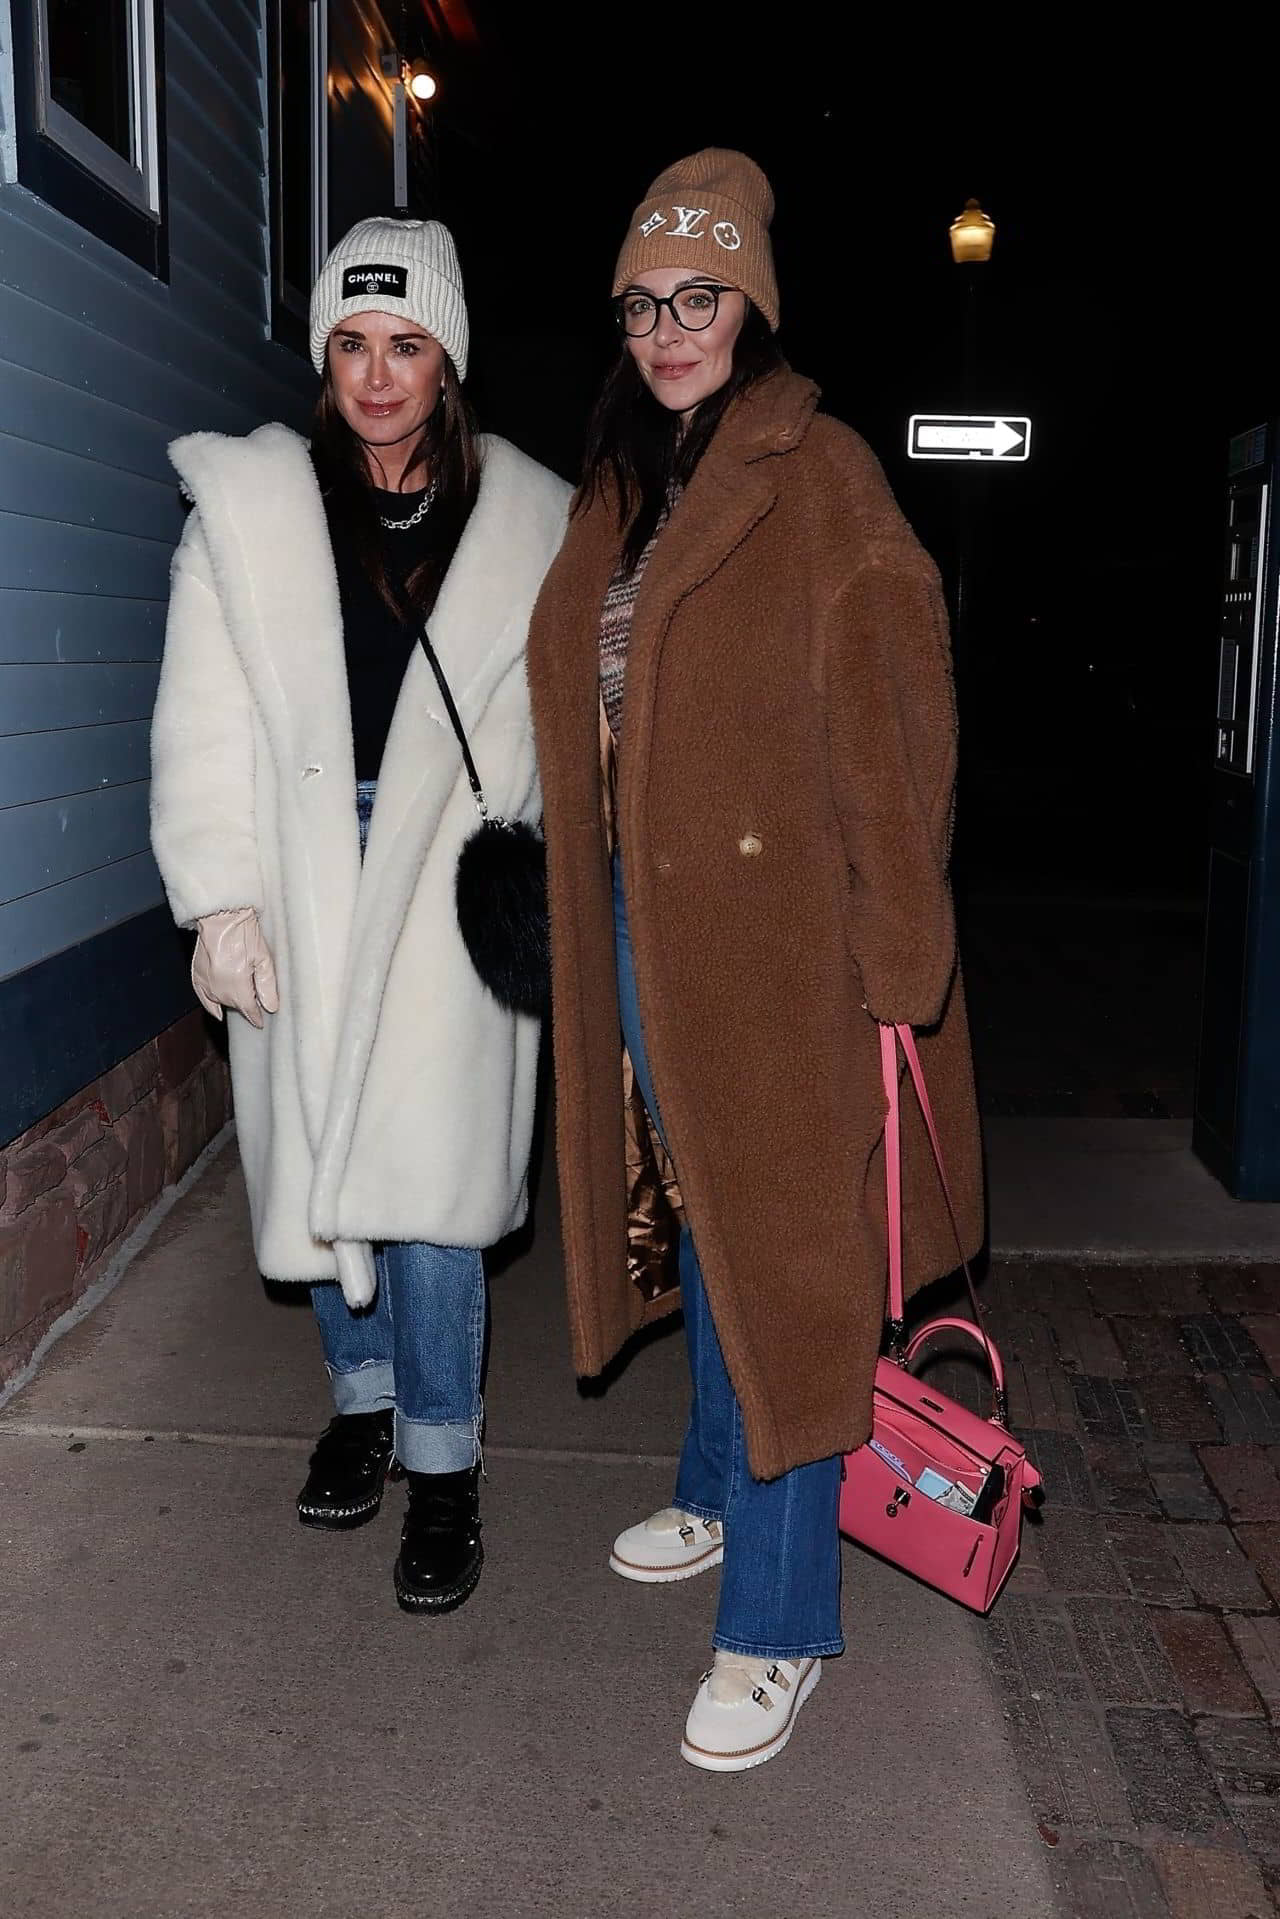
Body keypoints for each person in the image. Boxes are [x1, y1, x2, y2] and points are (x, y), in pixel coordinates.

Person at [527, 151, 983, 1770]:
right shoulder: (625, 479)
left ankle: (783, 1622)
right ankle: (721, 1491)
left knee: (788, 1270)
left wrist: (895, 957)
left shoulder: (822, 471)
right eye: (645, 301)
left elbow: (898, 711)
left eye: (699, 298)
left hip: (788, 944)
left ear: (754, 306)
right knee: (711, 1223)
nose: (669, 328)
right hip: (652, 933)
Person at [151, 217, 569, 1615]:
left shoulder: (529, 520)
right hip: (307, 874)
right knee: (324, 1153)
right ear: (324, 355)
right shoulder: (258, 516)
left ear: (447, 355)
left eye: (405, 344)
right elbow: (203, 721)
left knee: (435, 1195)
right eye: (350, 343)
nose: (378, 375)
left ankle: (445, 1466)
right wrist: (220, 898)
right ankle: (365, 1399)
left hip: (449, 884)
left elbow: (571, 727)